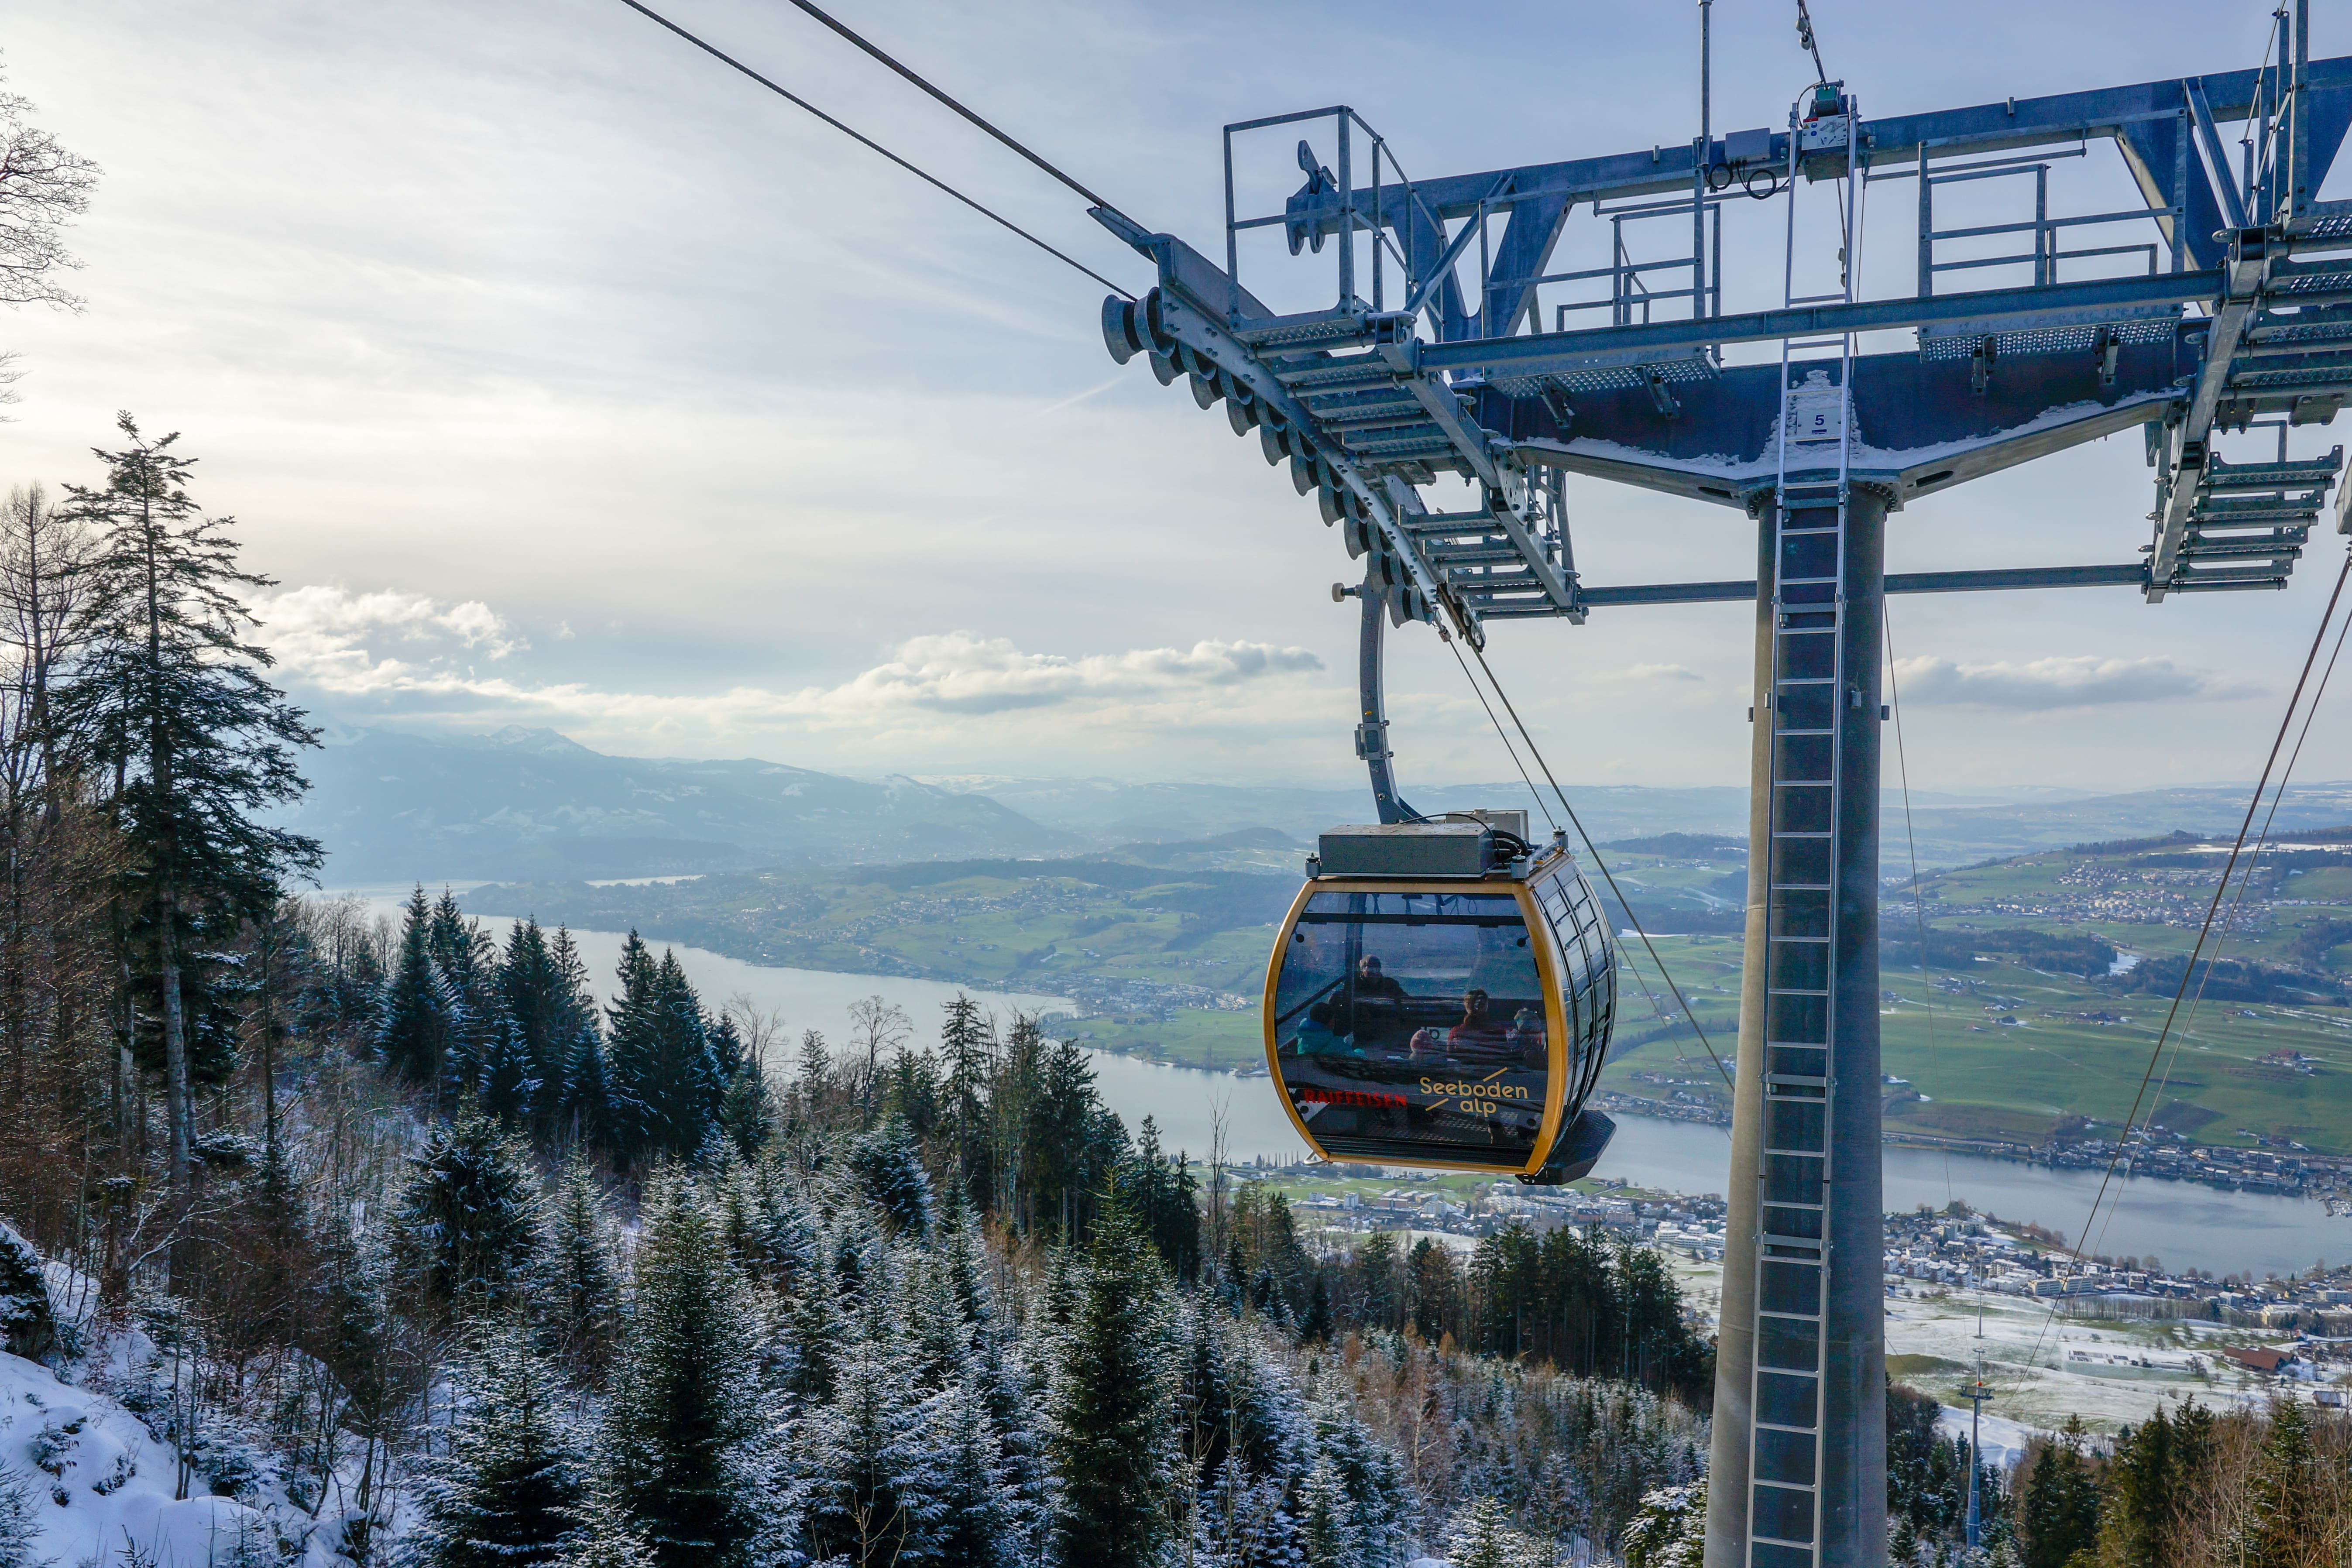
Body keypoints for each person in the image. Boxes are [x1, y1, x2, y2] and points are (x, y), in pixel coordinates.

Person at [1446, 988, 1515, 1063]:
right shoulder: (1498, 1030)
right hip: (1493, 1072)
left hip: (1464, 1073)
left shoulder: (1456, 1031)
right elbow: (1505, 1054)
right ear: (1486, 1006)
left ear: (1466, 1005)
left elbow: (1450, 1055)